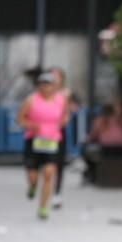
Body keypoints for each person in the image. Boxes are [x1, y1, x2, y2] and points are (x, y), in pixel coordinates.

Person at [16, 71, 68, 220]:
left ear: (53, 86)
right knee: (33, 175)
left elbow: (65, 115)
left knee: (48, 173)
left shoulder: (60, 100)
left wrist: (61, 123)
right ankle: (32, 187)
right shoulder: (31, 100)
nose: (46, 87)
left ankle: (43, 208)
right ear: (39, 85)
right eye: (43, 84)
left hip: (52, 141)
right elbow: (20, 119)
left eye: (49, 84)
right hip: (34, 140)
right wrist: (30, 125)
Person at [48, 67, 79, 209]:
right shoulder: (42, 93)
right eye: (51, 76)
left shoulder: (66, 93)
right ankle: (45, 187)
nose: (54, 79)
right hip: (43, 133)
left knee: (58, 163)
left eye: (56, 76)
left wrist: (69, 106)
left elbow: (75, 108)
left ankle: (57, 193)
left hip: (59, 132)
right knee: (46, 164)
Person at [83, 100, 122, 183]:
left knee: (86, 151)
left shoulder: (101, 120)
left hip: (107, 149)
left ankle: (93, 176)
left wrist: (86, 139)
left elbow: (93, 135)